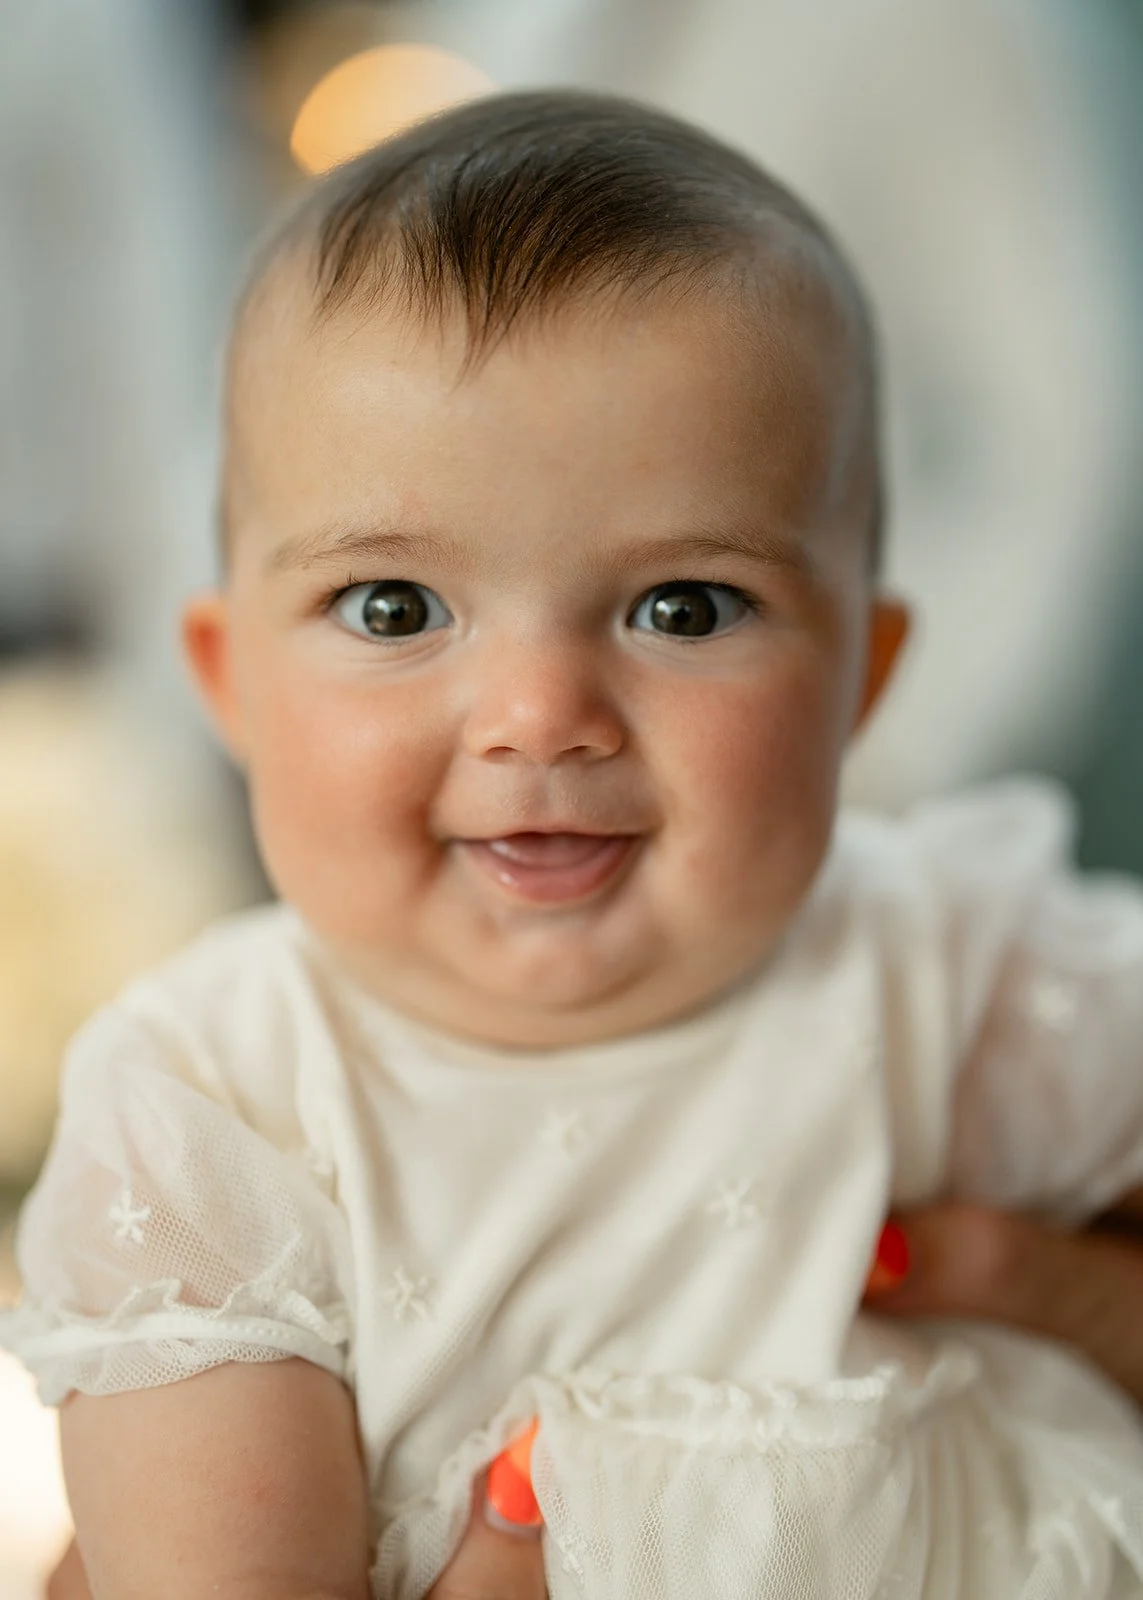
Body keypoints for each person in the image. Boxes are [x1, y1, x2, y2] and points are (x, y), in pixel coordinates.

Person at [4, 91, 1143, 1600]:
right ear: (231, 686)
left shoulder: (949, 966)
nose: (541, 718)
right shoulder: (218, 1105)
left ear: (855, 684)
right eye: (394, 609)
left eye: (682, 608)